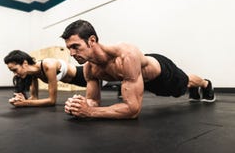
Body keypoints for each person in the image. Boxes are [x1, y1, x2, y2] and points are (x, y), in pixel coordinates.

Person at [61, 20, 215, 119]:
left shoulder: (125, 56)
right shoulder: (90, 68)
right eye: (69, 48)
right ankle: (197, 87)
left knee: (184, 83)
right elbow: (93, 101)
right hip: (141, 78)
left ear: (92, 41)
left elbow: (132, 110)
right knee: (182, 85)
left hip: (161, 72)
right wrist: (79, 105)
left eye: (76, 46)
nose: (72, 53)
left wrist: (90, 112)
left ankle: (205, 84)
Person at [4, 50, 86, 107]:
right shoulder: (32, 73)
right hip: (81, 83)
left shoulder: (48, 65)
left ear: (25, 63)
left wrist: (24, 103)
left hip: (85, 75)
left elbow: (52, 101)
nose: (15, 74)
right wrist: (18, 100)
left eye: (15, 70)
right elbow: (34, 98)